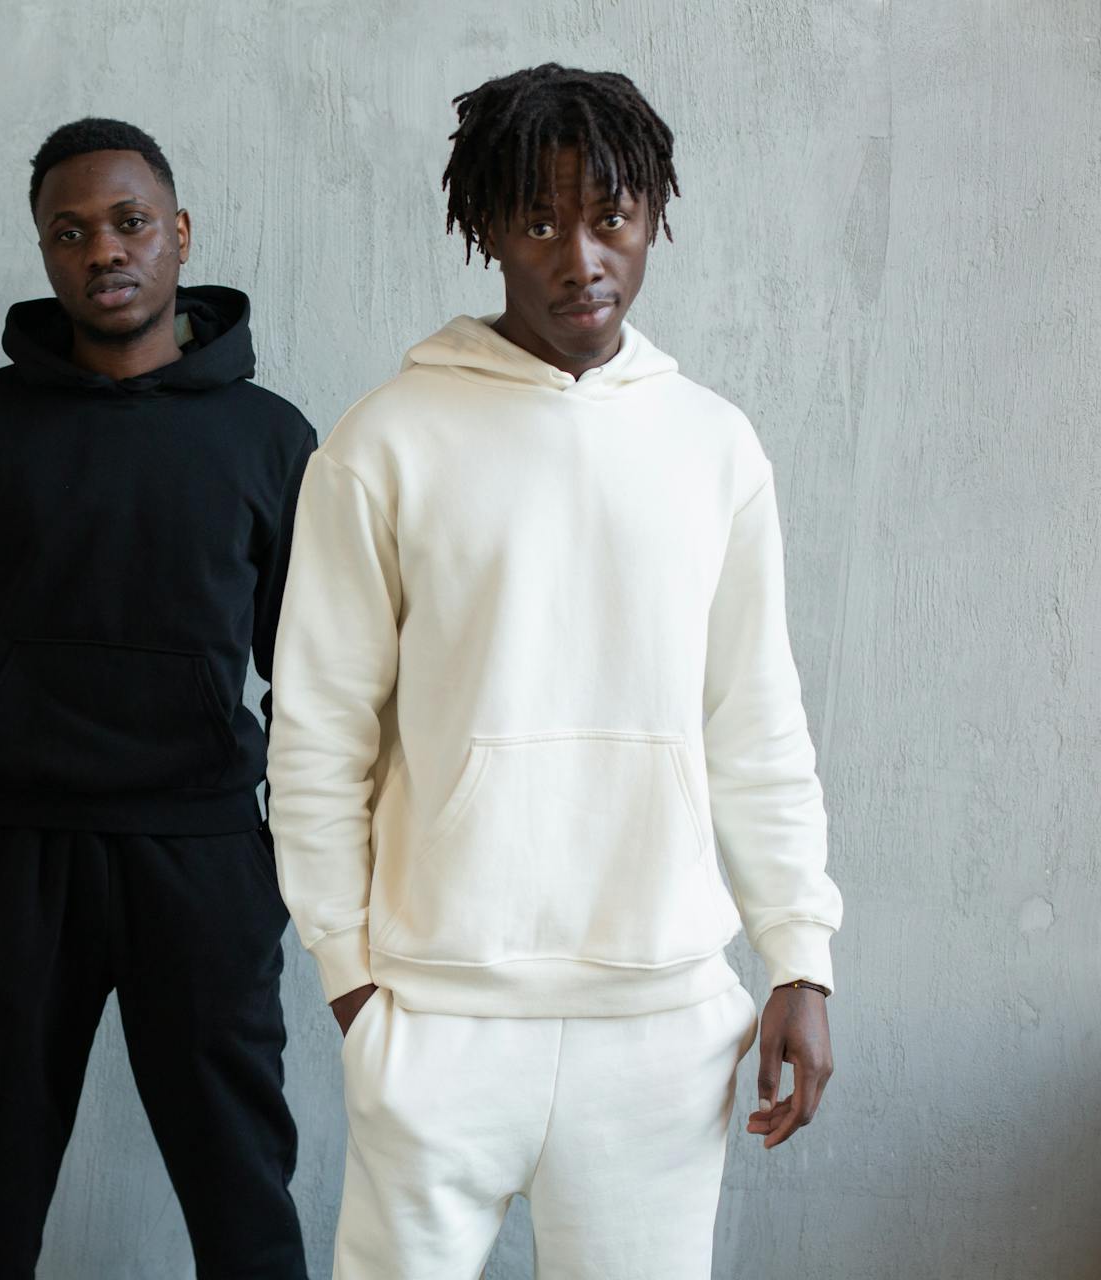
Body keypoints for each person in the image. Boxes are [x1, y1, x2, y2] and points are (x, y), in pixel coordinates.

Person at [266, 64, 844, 1278]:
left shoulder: (713, 446)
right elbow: (319, 730)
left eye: (612, 216)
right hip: (437, 1013)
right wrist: (351, 986)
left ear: (654, 218)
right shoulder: (385, 444)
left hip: (661, 1022)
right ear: (487, 230)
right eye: (540, 221)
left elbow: (758, 720)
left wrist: (798, 950)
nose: (582, 255)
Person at [0, 117, 314, 1279]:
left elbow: (318, 679)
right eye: (68, 233)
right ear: (44, 253)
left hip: (206, 857)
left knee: (244, 1206)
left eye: (128, 223)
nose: (103, 251)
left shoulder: (269, 439)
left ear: (178, 235)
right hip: (16, 862)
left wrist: (288, 867)